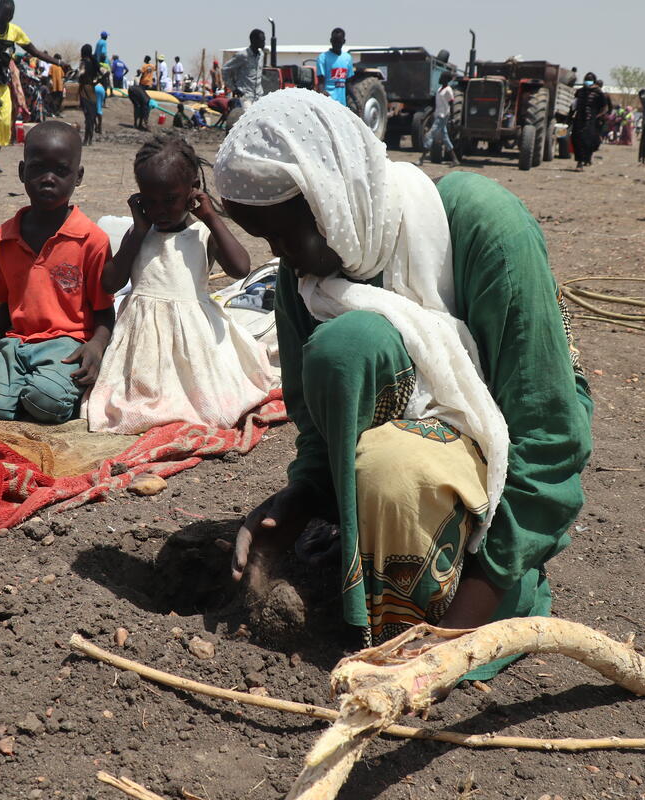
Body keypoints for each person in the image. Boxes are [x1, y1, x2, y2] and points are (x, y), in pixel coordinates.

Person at [217, 91, 591, 665]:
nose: (282, 256)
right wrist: (298, 501)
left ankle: (456, 589)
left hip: (509, 429)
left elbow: (550, 436)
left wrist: (454, 640)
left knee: (391, 469)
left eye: (287, 234)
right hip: (416, 433)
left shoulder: (483, 227)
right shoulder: (308, 280)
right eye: (266, 240)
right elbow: (319, 428)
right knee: (349, 348)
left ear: (334, 201)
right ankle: (369, 556)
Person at [88, 134, 275, 435]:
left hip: (193, 338)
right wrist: (137, 231)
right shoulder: (140, 233)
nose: (160, 209)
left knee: (204, 397)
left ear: (192, 191)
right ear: (139, 197)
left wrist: (212, 217)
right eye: (150, 201)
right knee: (136, 398)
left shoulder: (202, 231)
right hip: (141, 339)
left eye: (170, 200)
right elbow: (111, 282)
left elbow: (240, 268)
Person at [0, 122, 116, 424]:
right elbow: (6, 308)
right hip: (16, 343)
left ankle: (35, 389)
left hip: (67, 345)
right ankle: (10, 385)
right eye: (38, 169)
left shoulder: (91, 240)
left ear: (78, 176)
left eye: (61, 171)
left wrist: (96, 346)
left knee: (47, 401)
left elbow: (104, 311)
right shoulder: (5, 236)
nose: (48, 179)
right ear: (22, 172)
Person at [0, 0, 63, 176]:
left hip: (2, 81)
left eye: (10, 14)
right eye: (4, 12)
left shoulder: (15, 31)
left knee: (5, 121)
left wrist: (57, 62)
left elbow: (34, 51)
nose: (7, 16)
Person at [417, 72, 460, 165]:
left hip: (443, 116)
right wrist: (425, 116)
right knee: (445, 138)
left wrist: (452, 118)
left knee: (430, 135)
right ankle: (455, 160)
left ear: (445, 79)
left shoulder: (448, 90)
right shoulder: (439, 89)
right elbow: (435, 106)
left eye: (441, 77)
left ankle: (421, 159)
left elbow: (451, 104)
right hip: (438, 115)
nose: (439, 78)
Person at [570, 71, 607, 170]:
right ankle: (579, 161)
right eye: (586, 79)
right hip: (579, 119)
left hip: (591, 121)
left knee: (587, 141)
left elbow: (605, 107)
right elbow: (574, 105)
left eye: (590, 80)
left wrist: (598, 117)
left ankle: (584, 161)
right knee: (577, 140)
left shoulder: (598, 92)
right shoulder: (580, 91)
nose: (588, 81)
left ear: (594, 81)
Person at [222, 29, 265, 109]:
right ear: (253, 40)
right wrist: (233, 88)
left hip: (259, 96)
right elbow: (225, 69)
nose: (264, 43)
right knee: (248, 119)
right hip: (246, 97)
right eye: (261, 40)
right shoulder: (243, 56)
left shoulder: (261, 55)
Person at [316, 28, 353, 105]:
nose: (336, 44)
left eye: (339, 42)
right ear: (331, 41)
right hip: (328, 103)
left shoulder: (347, 58)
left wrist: (356, 101)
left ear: (343, 42)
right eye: (334, 41)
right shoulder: (323, 58)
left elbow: (348, 83)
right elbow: (320, 82)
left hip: (342, 104)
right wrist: (322, 93)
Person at [77, 44, 102, 146]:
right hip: (92, 89)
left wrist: (76, 74)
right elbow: (105, 73)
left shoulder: (83, 62)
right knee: (91, 116)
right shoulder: (94, 62)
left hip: (84, 90)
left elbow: (80, 73)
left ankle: (86, 139)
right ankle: (89, 139)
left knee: (87, 116)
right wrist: (96, 81)